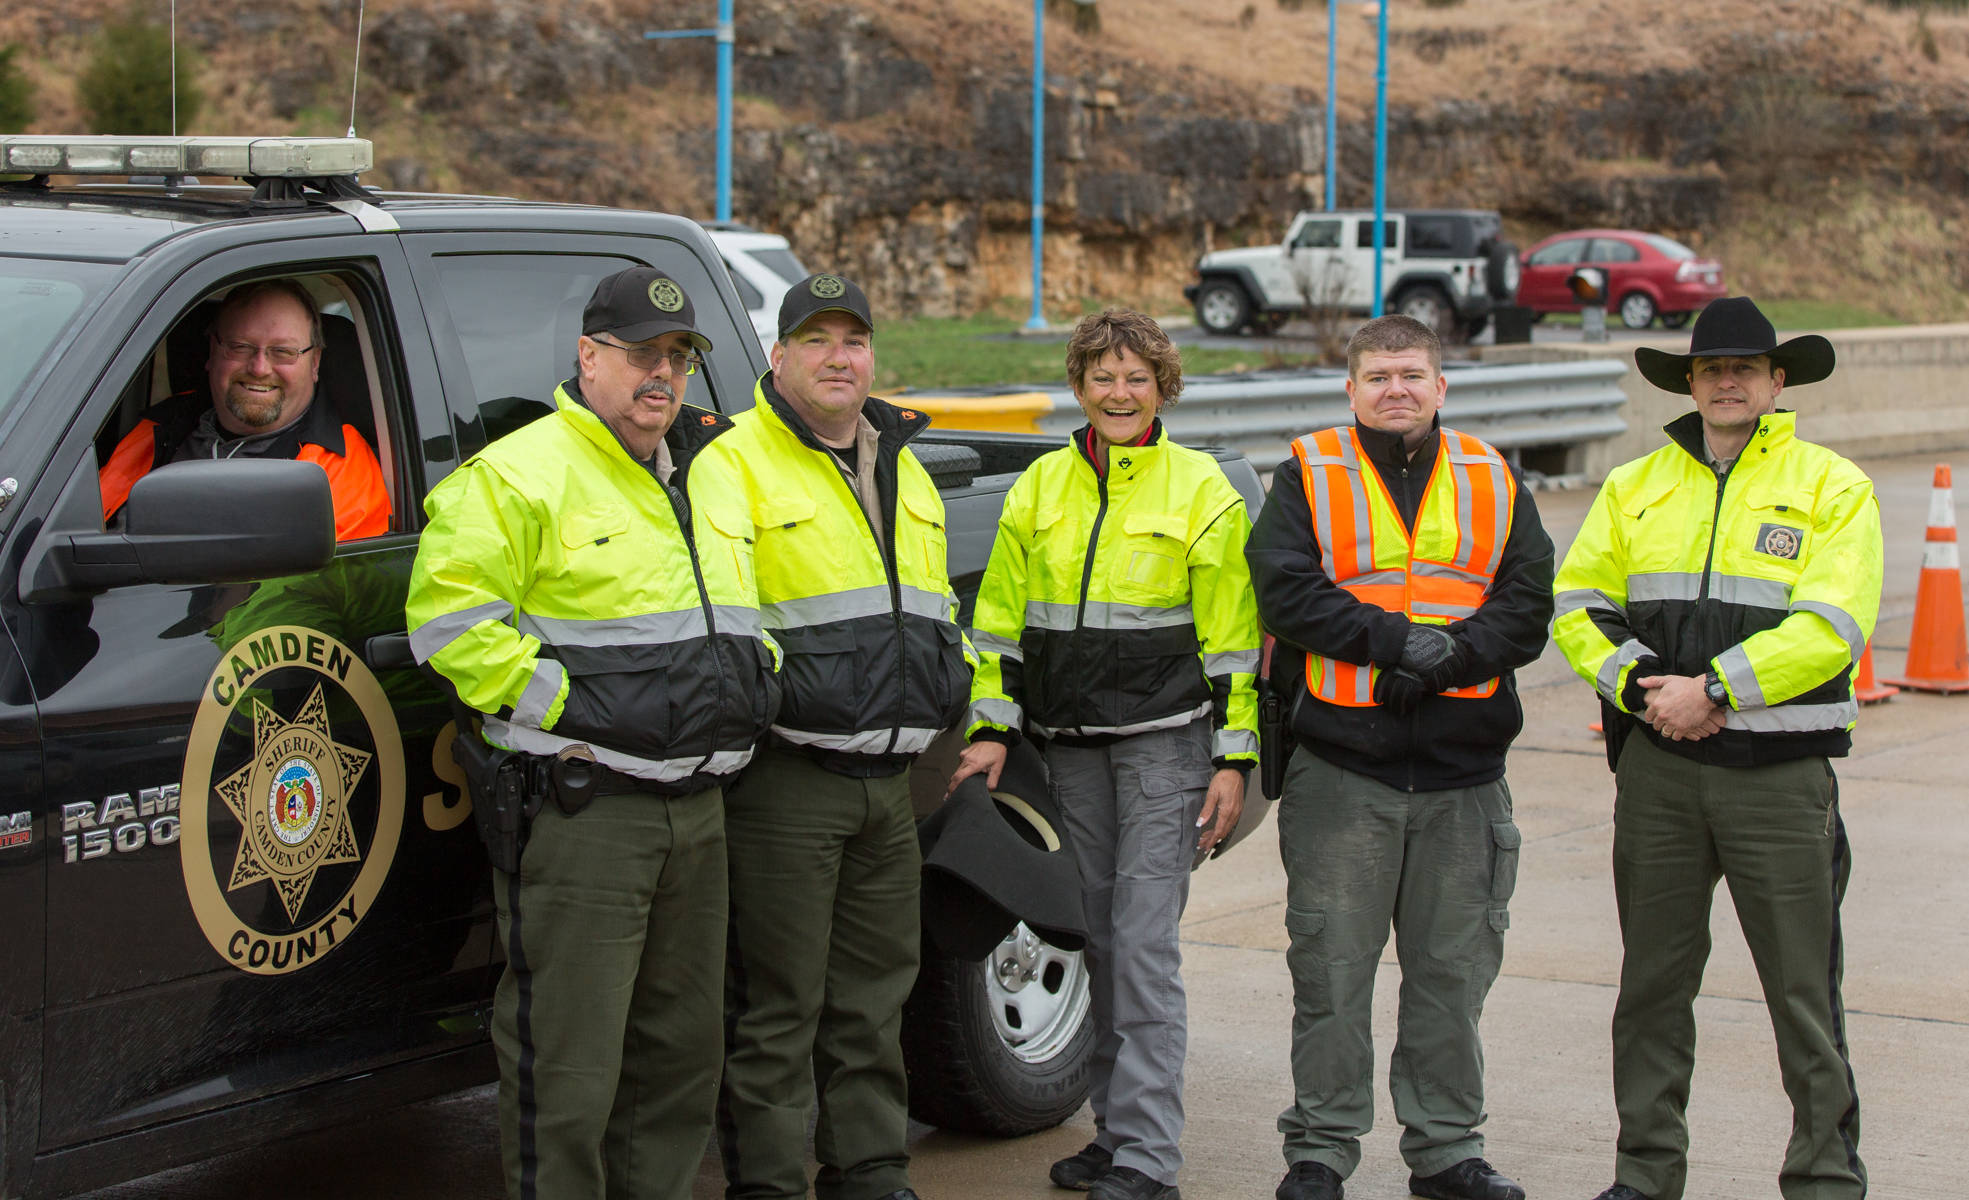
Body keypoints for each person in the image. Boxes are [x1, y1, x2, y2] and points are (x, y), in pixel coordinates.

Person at [405, 266, 780, 1200]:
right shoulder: (516, 475)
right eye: (642, 353)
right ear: (588, 356)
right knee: (567, 1067)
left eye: (679, 357)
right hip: (588, 815)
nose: (664, 375)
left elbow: (743, 611)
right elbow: (449, 626)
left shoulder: (704, 474)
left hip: (699, 810)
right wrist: (573, 704)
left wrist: (758, 678)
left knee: (679, 1058)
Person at [1552, 297, 1880, 1200]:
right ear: (1688, 383)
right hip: (1658, 773)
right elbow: (1577, 605)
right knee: (1650, 990)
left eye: (1744, 368)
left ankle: (1822, 1178)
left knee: (1802, 996)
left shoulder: (1832, 485)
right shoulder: (1634, 485)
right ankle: (1645, 1175)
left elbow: (1831, 625)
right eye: (1710, 369)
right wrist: (1642, 688)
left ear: (1777, 381)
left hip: (1777, 780)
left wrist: (1714, 690)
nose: (1726, 381)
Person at [948, 309, 1261, 1200]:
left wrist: (1233, 762)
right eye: (1101, 377)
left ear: (1162, 387)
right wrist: (990, 728)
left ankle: (1149, 1158)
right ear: (1079, 386)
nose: (1118, 393)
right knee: (1093, 940)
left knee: (1143, 947)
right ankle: (1113, 1134)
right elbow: (996, 626)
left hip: (1166, 752)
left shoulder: (1200, 490)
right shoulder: (1039, 487)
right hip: (1071, 753)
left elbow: (1234, 643)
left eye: (1135, 378)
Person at [1245, 314, 1552, 1200]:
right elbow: (1284, 590)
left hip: (1464, 778)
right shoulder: (1307, 471)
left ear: (1440, 386)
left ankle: (1447, 1152)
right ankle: (1319, 1151)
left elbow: (1527, 603)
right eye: (1377, 376)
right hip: (1343, 771)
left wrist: (1447, 659)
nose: (1396, 389)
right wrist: (1396, 643)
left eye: (1412, 374)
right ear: (1350, 389)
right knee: (1330, 973)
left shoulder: (1493, 475)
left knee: (1452, 976)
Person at [693, 273, 969, 1200]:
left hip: (889, 783)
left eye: (853, 340)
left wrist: (952, 689)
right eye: (815, 340)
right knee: (777, 1004)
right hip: (788, 778)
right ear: (777, 357)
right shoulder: (731, 461)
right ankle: (769, 1184)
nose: (837, 357)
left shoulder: (904, 464)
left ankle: (870, 1171)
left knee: (874, 994)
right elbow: (727, 621)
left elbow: (933, 609)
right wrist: (788, 701)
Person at [100, 278, 390, 540]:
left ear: (314, 363)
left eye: (283, 352)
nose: (259, 368)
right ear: (212, 351)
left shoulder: (341, 473)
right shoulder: (156, 427)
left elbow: (317, 582)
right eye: (240, 347)